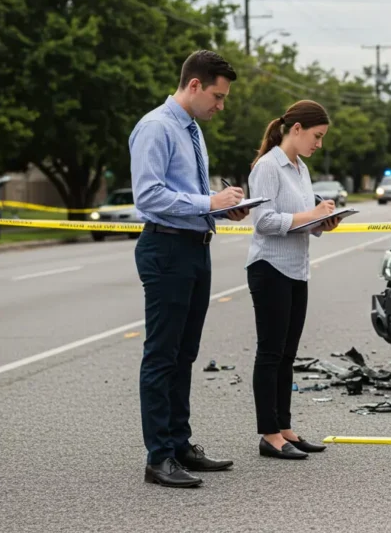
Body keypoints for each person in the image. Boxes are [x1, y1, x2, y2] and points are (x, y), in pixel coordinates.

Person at [130, 50, 251, 488]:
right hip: (166, 250)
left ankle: (180, 445)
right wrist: (208, 203)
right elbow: (148, 196)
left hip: (196, 248)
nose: (221, 105)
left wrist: (222, 210)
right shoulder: (156, 127)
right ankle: (158, 457)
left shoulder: (192, 129)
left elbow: (188, 195)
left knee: (185, 354)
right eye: (218, 96)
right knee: (162, 355)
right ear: (195, 85)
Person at [245, 100, 341, 459]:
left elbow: (301, 220)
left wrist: (322, 222)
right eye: (316, 136)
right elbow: (264, 222)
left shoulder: (300, 168)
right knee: (270, 353)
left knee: (288, 355)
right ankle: (269, 435)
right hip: (270, 268)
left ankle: (285, 428)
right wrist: (310, 214)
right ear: (296, 129)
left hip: (297, 269)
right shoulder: (268, 166)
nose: (319, 144)